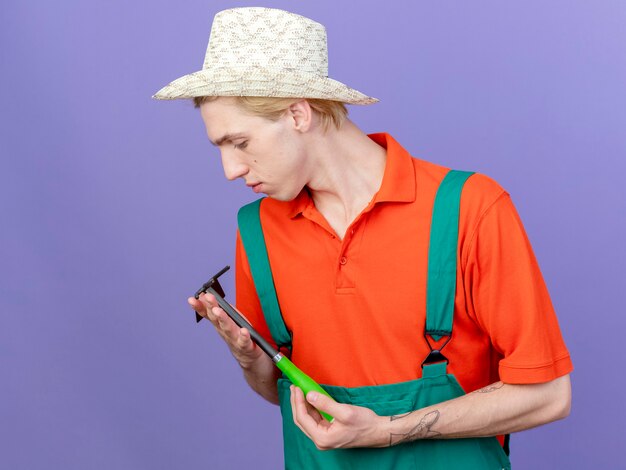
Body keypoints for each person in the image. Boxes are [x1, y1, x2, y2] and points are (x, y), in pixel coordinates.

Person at [154, 7, 572, 469]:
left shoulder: (469, 209)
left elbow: (548, 395)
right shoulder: (257, 230)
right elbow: (284, 393)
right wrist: (250, 360)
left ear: (297, 113)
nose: (231, 170)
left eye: (241, 143)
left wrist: (386, 431)